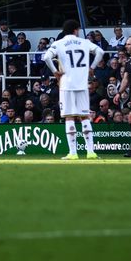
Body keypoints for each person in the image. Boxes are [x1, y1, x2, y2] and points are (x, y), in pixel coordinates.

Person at [42, 19, 105, 160]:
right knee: (84, 117)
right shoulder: (84, 42)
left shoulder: (58, 43)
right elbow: (100, 52)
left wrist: (54, 71)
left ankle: (73, 153)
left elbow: (46, 57)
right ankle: (91, 152)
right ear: (76, 30)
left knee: (69, 117)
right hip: (82, 84)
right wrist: (92, 68)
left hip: (66, 85)